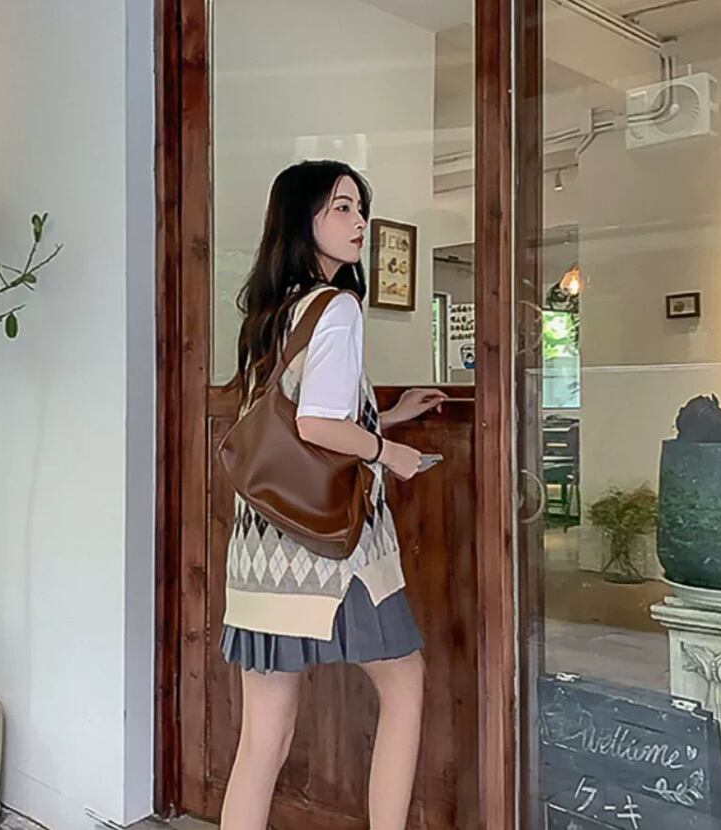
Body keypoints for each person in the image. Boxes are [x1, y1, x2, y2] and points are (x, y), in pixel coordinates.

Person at [220, 160, 446, 830]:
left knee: (262, 741)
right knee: (404, 684)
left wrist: (388, 415)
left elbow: (291, 418)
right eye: (341, 207)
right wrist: (391, 453)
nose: (359, 222)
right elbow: (317, 426)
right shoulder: (336, 307)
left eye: (359, 208)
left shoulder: (272, 312)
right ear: (303, 219)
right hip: (335, 553)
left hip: (261, 553)